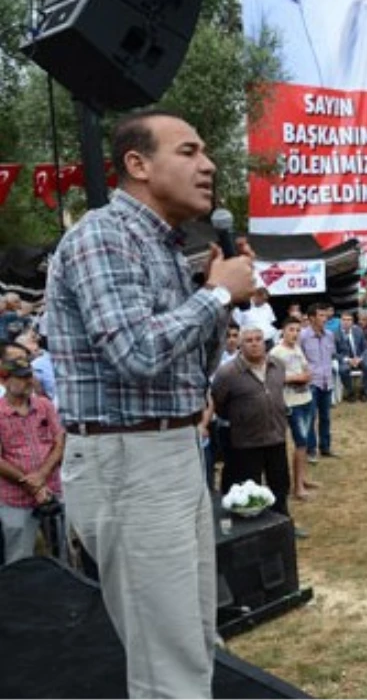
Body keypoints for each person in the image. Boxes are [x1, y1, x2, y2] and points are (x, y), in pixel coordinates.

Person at [46, 110, 256, 698]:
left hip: (171, 448)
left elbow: (186, 369)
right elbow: (135, 353)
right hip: (128, 460)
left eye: (206, 152)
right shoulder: (101, 236)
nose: (209, 165)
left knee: (191, 636)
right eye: (189, 151)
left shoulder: (163, 245)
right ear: (137, 165)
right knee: (166, 659)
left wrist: (221, 295)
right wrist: (216, 294)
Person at [211, 327, 293, 524]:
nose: (255, 343)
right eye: (249, 340)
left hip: (276, 437)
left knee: (280, 485)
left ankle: (282, 523)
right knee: (249, 490)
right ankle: (254, 530)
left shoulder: (278, 365)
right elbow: (219, 404)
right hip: (246, 442)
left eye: (258, 339)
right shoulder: (228, 373)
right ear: (240, 344)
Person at [0, 357, 64, 564]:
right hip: (15, 497)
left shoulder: (44, 405)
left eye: (29, 376)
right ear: (4, 381)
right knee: (19, 558)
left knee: (62, 554)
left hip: (51, 489)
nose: (28, 381)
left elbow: (59, 441)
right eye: (21, 378)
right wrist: (32, 484)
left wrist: (42, 475)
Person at [270, 317, 318, 500]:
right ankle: (297, 488)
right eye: (291, 330)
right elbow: (275, 378)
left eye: (298, 330)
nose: (295, 334)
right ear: (283, 330)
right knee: (300, 442)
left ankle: (303, 479)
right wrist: (298, 378)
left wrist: (306, 376)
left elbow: (306, 369)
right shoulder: (276, 352)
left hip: (305, 398)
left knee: (305, 442)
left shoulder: (297, 348)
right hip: (291, 402)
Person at [300, 303, 338, 461]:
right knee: (310, 417)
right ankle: (311, 450)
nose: (325, 318)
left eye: (325, 315)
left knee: (326, 417)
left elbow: (333, 354)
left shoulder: (329, 335)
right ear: (311, 318)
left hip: (326, 381)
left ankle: (326, 447)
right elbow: (298, 358)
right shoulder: (302, 336)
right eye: (321, 316)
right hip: (311, 382)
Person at [335, 309, 367, 401]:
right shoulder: (335, 334)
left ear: (352, 321)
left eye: (349, 320)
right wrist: (348, 360)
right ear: (340, 321)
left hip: (359, 358)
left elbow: (365, 347)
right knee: (343, 369)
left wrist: (360, 358)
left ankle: (364, 391)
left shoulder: (358, 331)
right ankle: (350, 392)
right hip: (345, 360)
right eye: (344, 320)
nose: (346, 322)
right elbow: (334, 353)